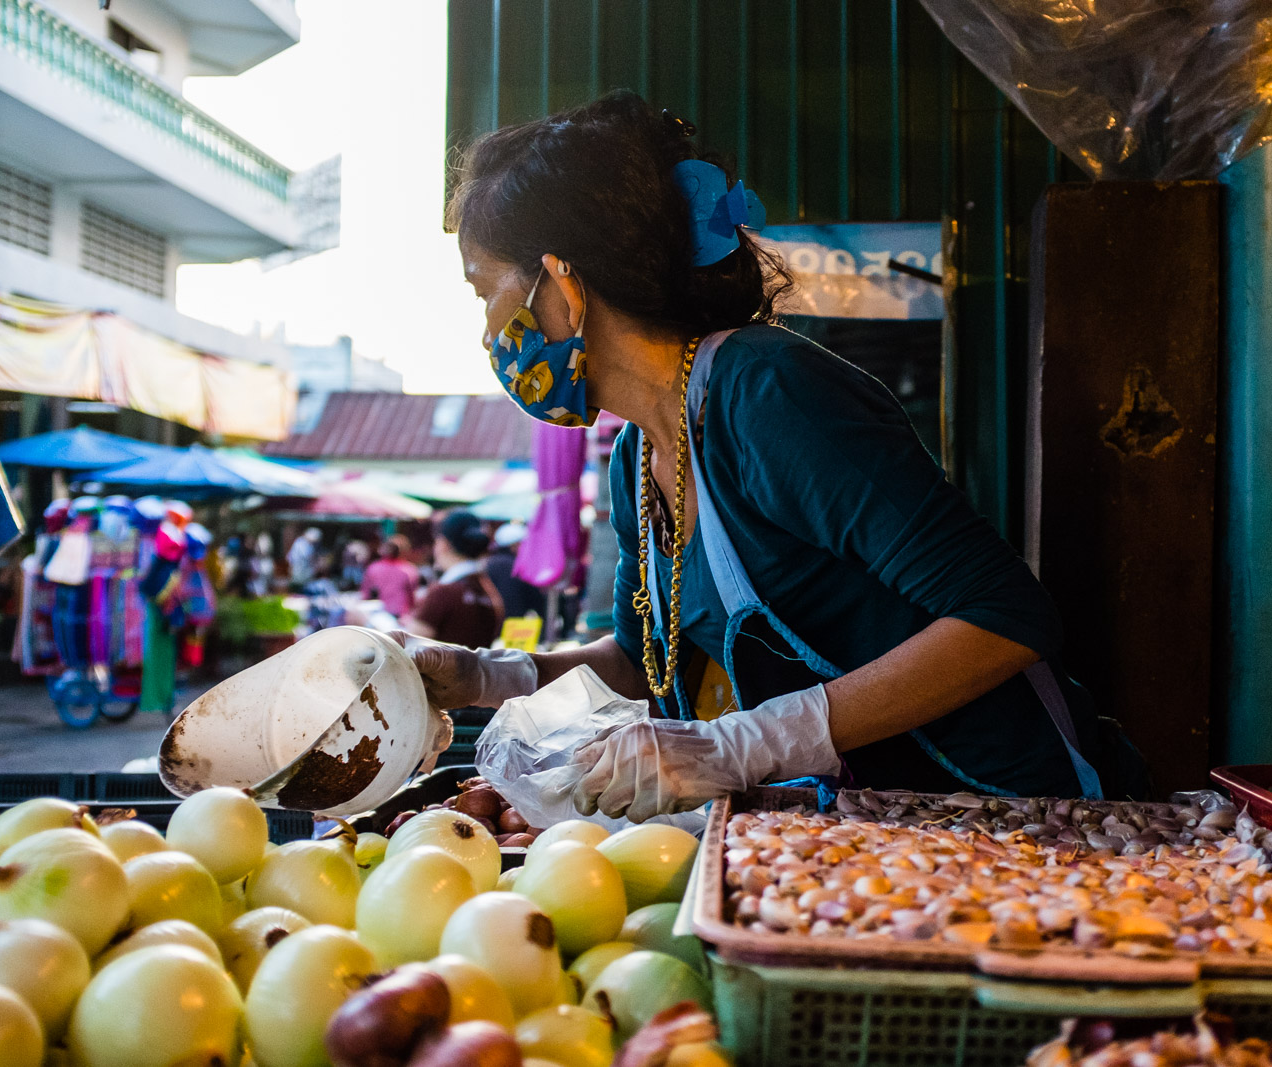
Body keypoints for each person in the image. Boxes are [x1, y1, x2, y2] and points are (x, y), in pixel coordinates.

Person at [395, 92, 1113, 823]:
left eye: (485, 291)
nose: (487, 331)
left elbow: (1007, 617)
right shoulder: (637, 457)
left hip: (1022, 820)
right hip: (879, 834)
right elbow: (645, 666)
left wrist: (745, 743)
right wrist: (485, 674)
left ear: (564, 284)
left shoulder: (768, 392)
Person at [403, 511, 507, 648]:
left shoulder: (444, 592)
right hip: (475, 669)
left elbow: (410, 646)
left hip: (441, 669)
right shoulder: (488, 590)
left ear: (444, 544)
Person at [484, 523, 548, 621]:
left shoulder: (488, 564)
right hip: (516, 627)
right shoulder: (519, 567)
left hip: (492, 625)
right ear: (514, 546)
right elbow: (537, 600)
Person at [361, 535, 420, 618]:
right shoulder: (409, 570)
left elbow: (365, 596)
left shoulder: (373, 568)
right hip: (401, 617)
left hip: (378, 616)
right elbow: (412, 600)